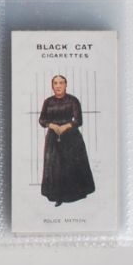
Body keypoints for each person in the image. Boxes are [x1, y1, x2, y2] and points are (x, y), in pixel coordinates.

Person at [38, 75, 96, 206]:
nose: (58, 86)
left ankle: (74, 195)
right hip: (53, 138)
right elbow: (42, 120)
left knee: (70, 165)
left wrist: (65, 126)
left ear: (66, 85)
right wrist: (52, 125)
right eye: (55, 83)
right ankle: (56, 196)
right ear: (52, 86)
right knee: (55, 166)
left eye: (61, 83)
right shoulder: (48, 101)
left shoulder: (73, 100)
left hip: (71, 138)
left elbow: (78, 120)